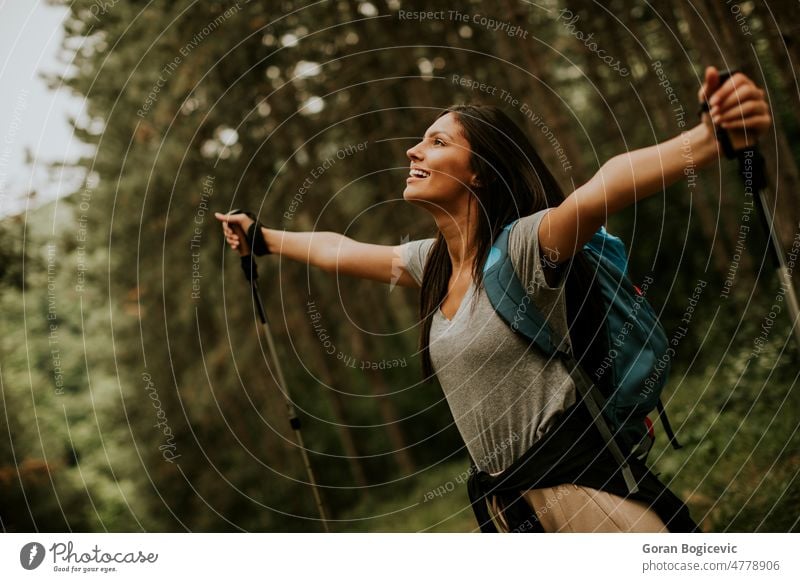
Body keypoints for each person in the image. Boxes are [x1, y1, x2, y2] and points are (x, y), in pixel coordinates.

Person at [215, 66, 771, 532]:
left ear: (478, 170)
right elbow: (341, 248)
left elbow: (599, 192)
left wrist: (710, 138)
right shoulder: (432, 265)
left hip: (582, 498)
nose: (413, 149)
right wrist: (263, 238)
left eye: (437, 141)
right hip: (510, 513)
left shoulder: (525, 248)